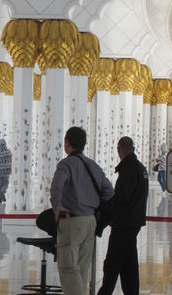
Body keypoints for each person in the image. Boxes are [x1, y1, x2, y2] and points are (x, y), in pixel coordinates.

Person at [50, 126, 114, 295]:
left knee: (68, 267)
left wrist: (57, 208)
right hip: (90, 222)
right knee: (81, 268)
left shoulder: (66, 164)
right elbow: (109, 192)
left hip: (72, 222)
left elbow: (56, 188)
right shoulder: (93, 166)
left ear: (67, 143)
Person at [97, 136, 149, 295]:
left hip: (124, 223)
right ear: (132, 148)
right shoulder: (139, 167)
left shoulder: (128, 168)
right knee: (128, 264)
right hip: (134, 221)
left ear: (119, 149)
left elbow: (123, 196)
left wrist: (108, 199)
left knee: (112, 263)